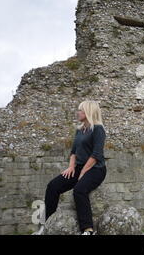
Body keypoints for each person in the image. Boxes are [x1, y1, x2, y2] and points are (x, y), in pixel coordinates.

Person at [43, 100, 107, 235]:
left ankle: (88, 230)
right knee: (52, 186)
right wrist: (71, 167)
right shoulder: (80, 130)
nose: (78, 112)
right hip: (78, 167)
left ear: (89, 112)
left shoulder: (98, 129)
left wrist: (83, 172)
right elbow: (73, 152)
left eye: (81, 110)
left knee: (79, 190)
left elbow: (96, 154)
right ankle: (48, 225)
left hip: (96, 169)